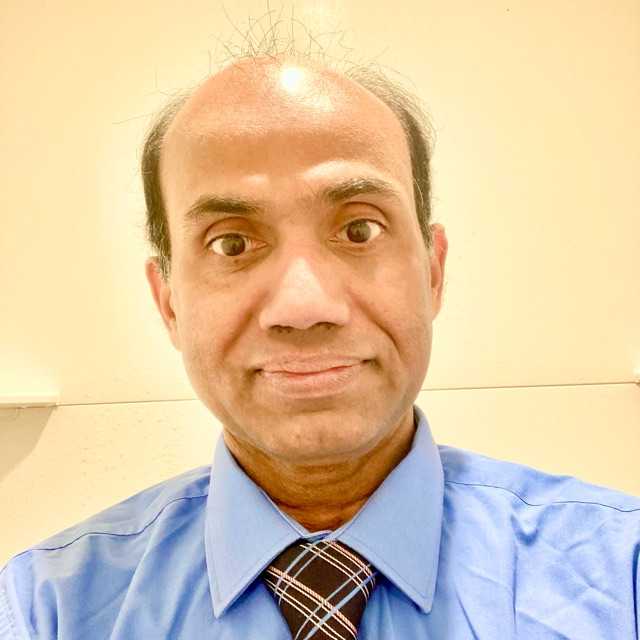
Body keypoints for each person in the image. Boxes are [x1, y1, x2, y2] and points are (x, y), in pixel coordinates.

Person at [1, 47, 639, 640]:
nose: (303, 307)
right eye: (231, 243)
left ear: (433, 270)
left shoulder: (622, 577)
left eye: (359, 230)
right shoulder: (42, 611)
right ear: (168, 300)